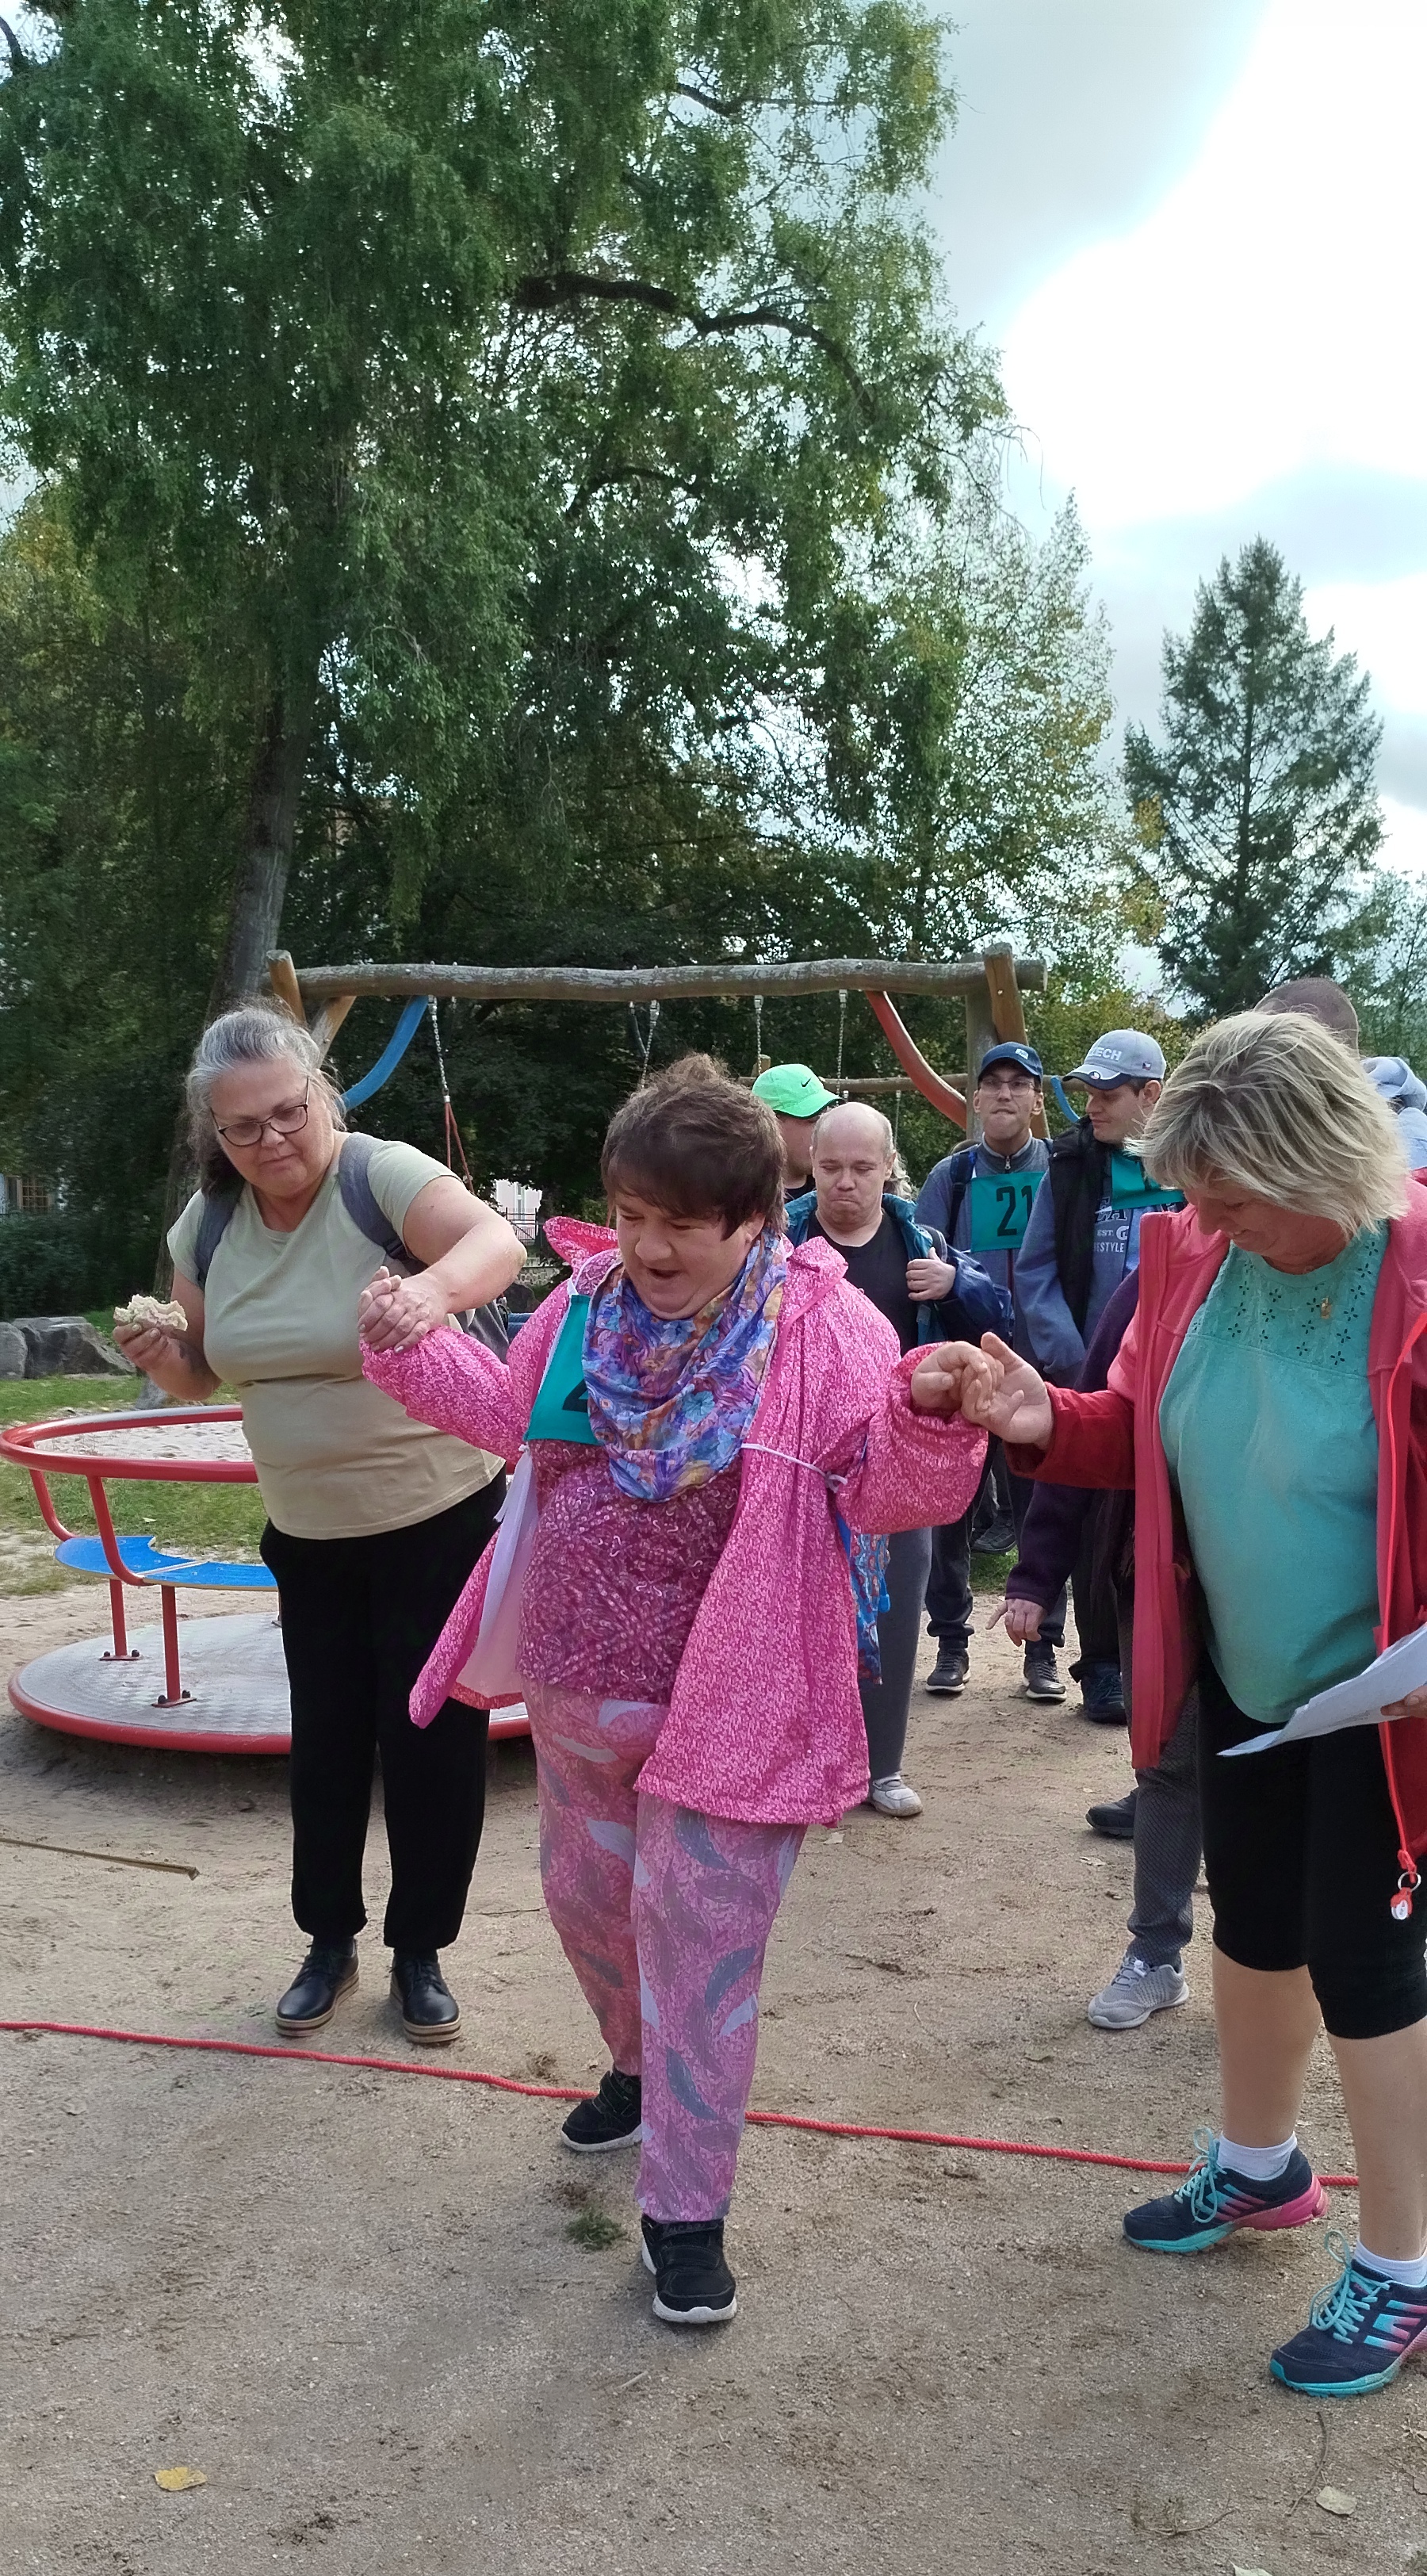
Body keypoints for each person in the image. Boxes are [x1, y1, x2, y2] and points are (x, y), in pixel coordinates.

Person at [359, 1057, 985, 2328]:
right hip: (580, 1684)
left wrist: (930, 1418)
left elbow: (887, 1494)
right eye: (630, 1213)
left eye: (680, 1224)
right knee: (590, 1906)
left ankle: (687, 2211)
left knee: (698, 1944)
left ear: (754, 1218)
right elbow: (508, 1417)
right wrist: (411, 1344)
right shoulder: (582, 1303)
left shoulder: (827, 1330)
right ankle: (637, 2069)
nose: (646, 1245)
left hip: (738, 1705)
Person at [912, 1009, 1427, 2400]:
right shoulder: (1193, 1249)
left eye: (1232, 1192)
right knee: (1252, 1924)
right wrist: (1040, 1415)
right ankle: (1261, 2168)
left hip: (1391, 1706)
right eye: (1192, 1189)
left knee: (1367, 1962)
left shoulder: (1419, 1266)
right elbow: (1134, 1423)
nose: (1204, 1215)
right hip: (1243, 1672)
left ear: (1325, 1164)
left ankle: (1405, 2266)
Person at [113, 1005, 526, 2044]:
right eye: (242, 1128)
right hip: (305, 1532)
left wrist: (429, 1295)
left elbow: (495, 1242)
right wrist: (162, 1354)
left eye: (288, 1112)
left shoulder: (377, 1175)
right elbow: (204, 1367)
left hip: (438, 1514)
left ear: (321, 1095)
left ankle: (420, 1951)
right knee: (328, 1742)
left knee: (429, 1737)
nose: (271, 1141)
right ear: (216, 1133)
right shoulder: (208, 1224)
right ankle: (328, 1941)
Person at [785, 1100, 1008, 1819]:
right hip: (803, 1457)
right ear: (810, 1164)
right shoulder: (780, 1240)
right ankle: (809, 1767)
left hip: (896, 1456)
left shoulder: (923, 1242)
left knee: (896, 1606)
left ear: (888, 1166)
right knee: (800, 1615)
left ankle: (883, 1767)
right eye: (830, 1166)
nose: (845, 1182)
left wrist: (957, 1284)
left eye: (861, 1167)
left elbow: (998, 1323)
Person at [999, 1269, 1203, 2031]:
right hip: (1160, 1566)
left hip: (1296, 1583)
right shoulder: (1163, 1273)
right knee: (1169, 1764)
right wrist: (1035, 1573)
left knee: (1277, 1774)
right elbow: (1096, 1418)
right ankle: (1156, 1951)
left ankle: (1280, 1953)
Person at [1014, 1028, 1166, 1721]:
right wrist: (1077, 1361)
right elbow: (1035, 1270)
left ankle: (1146, 1665)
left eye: (1108, 1093)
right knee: (1089, 1508)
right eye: (1087, 1091)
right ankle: (1101, 1665)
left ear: (1151, 1095)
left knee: (1145, 1525)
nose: (1091, 1106)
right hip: (1088, 1371)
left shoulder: (1189, 1164)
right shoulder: (1067, 1166)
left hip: (1168, 1378)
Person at [914, 1041, 1065, 1703]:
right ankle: (951, 1640)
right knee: (950, 1511)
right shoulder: (951, 1177)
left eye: (1019, 1083)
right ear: (975, 1098)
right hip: (964, 1373)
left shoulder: (1061, 1168)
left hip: (1040, 1369)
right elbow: (920, 1258)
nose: (1005, 1093)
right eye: (994, 1082)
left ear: (1035, 1098)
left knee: (1042, 1509)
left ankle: (1044, 1648)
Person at [750, 1062, 840, 1193]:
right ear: (772, 1124)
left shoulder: (838, 1190)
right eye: (814, 1120)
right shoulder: (740, 1198)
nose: (824, 1130)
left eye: (826, 1118)